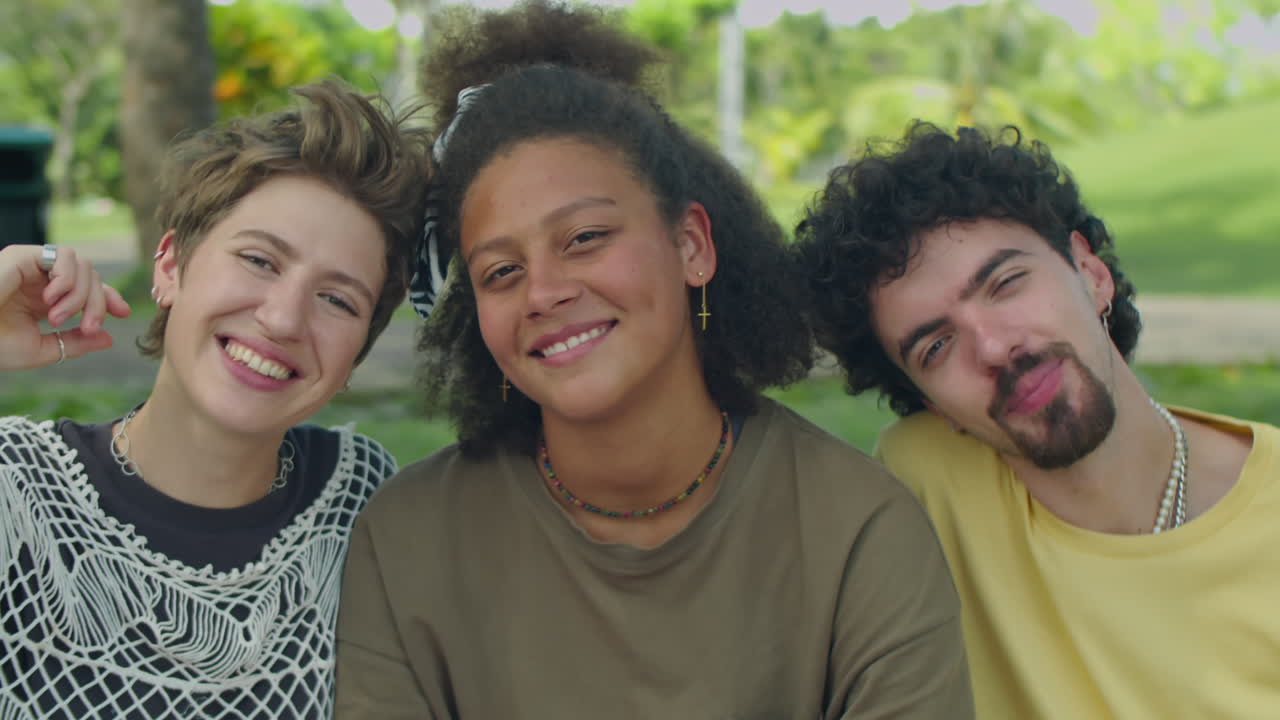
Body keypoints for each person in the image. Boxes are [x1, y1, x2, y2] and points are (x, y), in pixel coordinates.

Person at [334, 2, 972, 718]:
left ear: (692, 244)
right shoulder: (408, 543)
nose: (543, 291)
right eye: (501, 272)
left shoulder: (857, 530)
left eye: (584, 238)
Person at [794, 121, 1280, 718]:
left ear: (1091, 274)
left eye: (1005, 284)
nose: (995, 348)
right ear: (932, 407)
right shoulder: (923, 483)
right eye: (936, 347)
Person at [0, 80, 430, 718]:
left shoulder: (365, 507)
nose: (284, 319)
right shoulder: (17, 490)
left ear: (354, 357)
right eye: (259, 260)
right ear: (170, 264)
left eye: (338, 300)